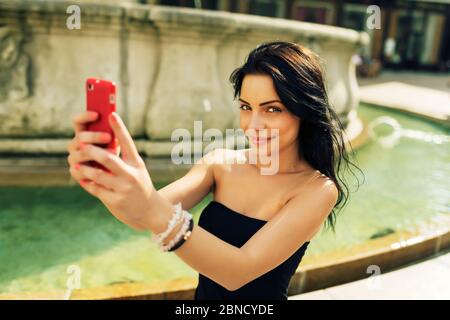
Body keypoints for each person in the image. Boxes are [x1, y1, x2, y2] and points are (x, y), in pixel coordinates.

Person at [66, 41, 361, 299]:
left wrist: (155, 211)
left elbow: (237, 271)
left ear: (304, 112)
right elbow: (139, 213)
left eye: (272, 109)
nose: (253, 125)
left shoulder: (316, 190)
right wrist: (107, 176)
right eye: (246, 107)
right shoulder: (220, 164)